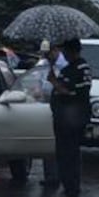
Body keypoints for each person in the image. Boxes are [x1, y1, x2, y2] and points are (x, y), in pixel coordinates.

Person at [47, 38, 92, 197]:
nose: (63, 54)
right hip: (73, 116)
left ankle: (70, 188)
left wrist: (53, 81)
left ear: (71, 51)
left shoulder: (75, 69)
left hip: (70, 118)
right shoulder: (82, 67)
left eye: (65, 51)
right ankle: (71, 186)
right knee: (71, 153)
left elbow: (66, 91)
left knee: (67, 153)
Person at [35, 39, 68, 189]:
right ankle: (50, 176)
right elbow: (36, 84)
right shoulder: (42, 65)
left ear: (56, 50)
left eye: (48, 53)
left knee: (62, 143)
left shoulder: (65, 65)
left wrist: (54, 83)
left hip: (63, 107)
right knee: (47, 142)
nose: (46, 56)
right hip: (45, 106)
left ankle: (62, 176)